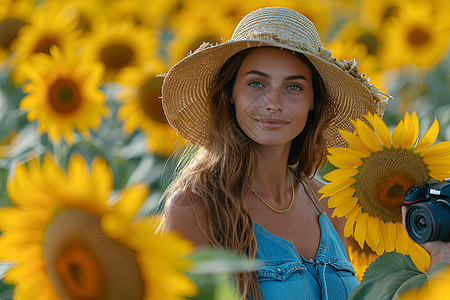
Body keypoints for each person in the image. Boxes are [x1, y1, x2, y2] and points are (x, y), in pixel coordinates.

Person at [160, 6, 449, 300]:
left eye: (294, 87)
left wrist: (438, 263)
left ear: (313, 101)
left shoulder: (330, 203)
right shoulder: (195, 208)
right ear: (230, 94)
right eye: (256, 83)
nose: (273, 103)